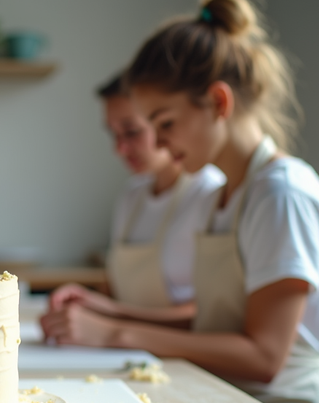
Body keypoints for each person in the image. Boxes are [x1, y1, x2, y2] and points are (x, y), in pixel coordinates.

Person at [55, 0, 319, 403]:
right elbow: (215, 324)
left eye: (165, 124)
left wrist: (115, 332)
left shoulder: (281, 194)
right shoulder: (225, 195)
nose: (158, 142)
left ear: (218, 102)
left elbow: (264, 357)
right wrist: (108, 312)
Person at [41, 75, 224, 339]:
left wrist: (111, 322)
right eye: (113, 134)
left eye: (132, 132)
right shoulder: (132, 195)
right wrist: (88, 305)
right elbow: (114, 290)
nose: (120, 149)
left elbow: (211, 318)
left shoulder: (209, 193)